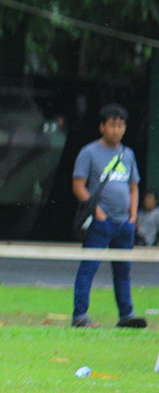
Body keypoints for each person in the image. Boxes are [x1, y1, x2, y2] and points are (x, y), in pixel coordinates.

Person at [71, 103, 147, 329]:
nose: (116, 130)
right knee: (89, 267)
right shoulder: (89, 152)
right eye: (112, 125)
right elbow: (78, 186)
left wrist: (133, 216)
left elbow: (134, 187)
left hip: (124, 222)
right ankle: (80, 315)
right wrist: (98, 213)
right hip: (100, 222)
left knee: (123, 271)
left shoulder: (128, 154)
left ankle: (126, 314)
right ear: (102, 126)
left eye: (121, 125)